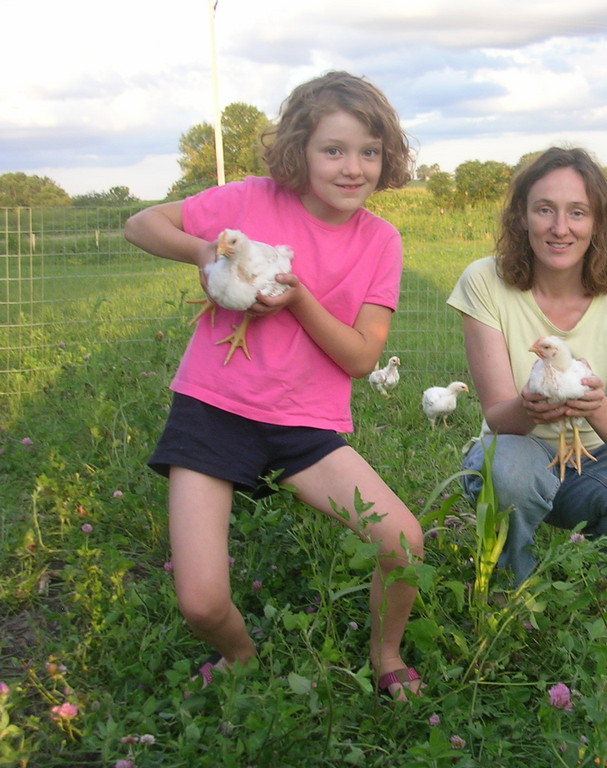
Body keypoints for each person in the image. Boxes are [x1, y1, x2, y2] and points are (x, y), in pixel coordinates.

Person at [124, 71, 424, 700]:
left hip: (304, 426)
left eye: (369, 152)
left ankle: (387, 654)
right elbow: (141, 224)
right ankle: (240, 656)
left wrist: (298, 301)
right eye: (333, 150)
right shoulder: (252, 199)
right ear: (299, 151)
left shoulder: (380, 242)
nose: (353, 168)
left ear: (387, 157)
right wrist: (208, 255)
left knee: (402, 540)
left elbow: (363, 359)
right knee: (202, 604)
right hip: (212, 410)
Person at [447, 146, 607, 586]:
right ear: (521, 217)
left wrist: (594, 405)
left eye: (578, 212)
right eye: (544, 209)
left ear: (598, 222)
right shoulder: (485, 281)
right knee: (509, 473)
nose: (560, 228)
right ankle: (512, 587)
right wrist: (530, 408)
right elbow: (498, 416)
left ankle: (589, 578)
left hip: (594, 457)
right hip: (515, 448)